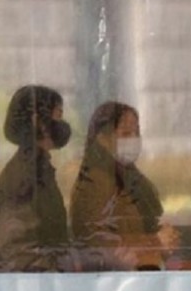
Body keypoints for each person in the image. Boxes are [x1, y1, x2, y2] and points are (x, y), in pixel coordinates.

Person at [70, 101, 178, 270]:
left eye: (136, 133)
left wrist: (165, 238)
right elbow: (98, 244)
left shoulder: (130, 179)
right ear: (103, 139)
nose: (133, 140)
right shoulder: (94, 184)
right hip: (116, 286)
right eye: (126, 133)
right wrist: (155, 242)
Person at [0, 85, 72, 271]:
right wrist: (58, 272)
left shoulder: (38, 168)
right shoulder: (26, 176)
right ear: (38, 122)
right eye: (58, 116)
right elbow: (18, 249)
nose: (62, 124)